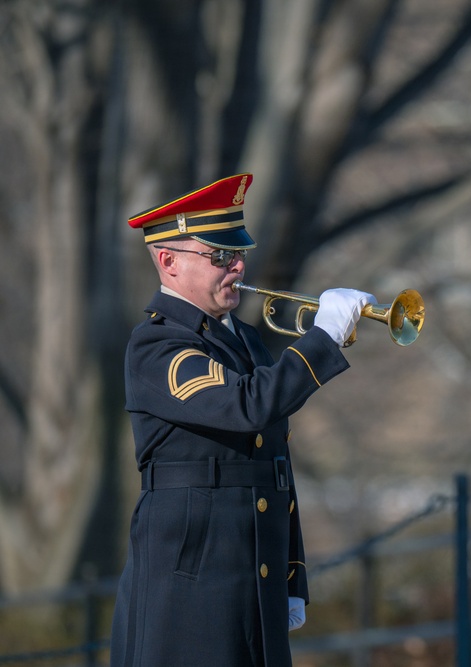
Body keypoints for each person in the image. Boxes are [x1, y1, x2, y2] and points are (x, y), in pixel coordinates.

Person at [110, 173, 374, 667]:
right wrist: (322, 340)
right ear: (168, 262)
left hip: (254, 571)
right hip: (190, 582)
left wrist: (292, 575)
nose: (237, 266)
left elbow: (274, 462)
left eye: (237, 253)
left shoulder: (246, 339)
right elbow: (246, 406)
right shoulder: (158, 344)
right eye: (219, 256)